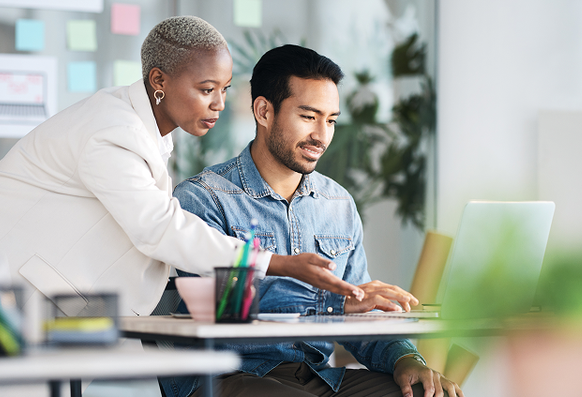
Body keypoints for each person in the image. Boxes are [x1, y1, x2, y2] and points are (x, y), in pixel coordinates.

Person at [0, 17, 364, 329]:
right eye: (206, 89)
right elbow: (157, 228)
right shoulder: (112, 130)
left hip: (23, 301)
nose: (219, 104)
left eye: (223, 89)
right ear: (159, 80)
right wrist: (278, 263)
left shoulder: (148, 133)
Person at [164, 45, 464, 397]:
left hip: (320, 378)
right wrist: (333, 305)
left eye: (331, 120)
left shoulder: (338, 204)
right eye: (309, 117)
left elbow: (363, 312)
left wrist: (406, 359)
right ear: (263, 111)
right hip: (231, 378)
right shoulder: (204, 199)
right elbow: (227, 315)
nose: (322, 136)